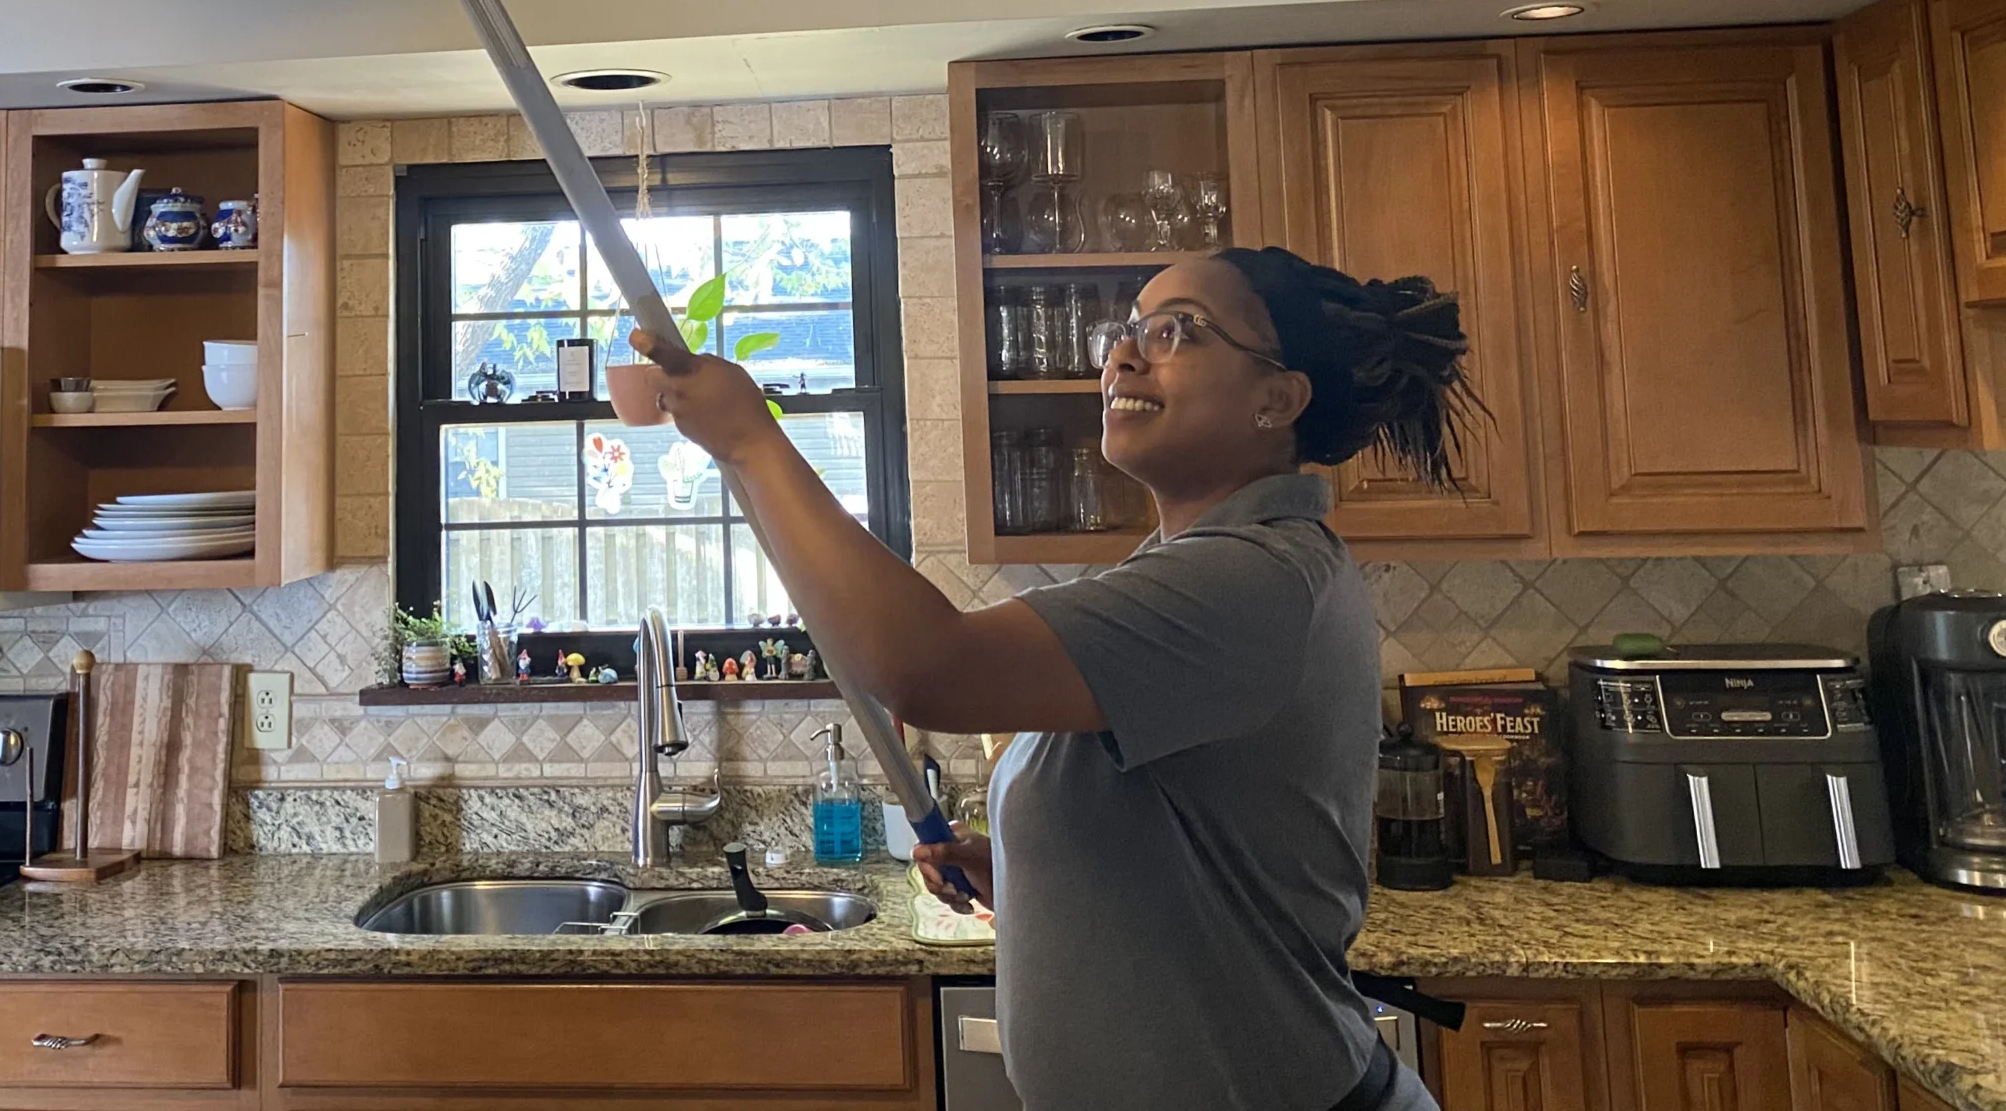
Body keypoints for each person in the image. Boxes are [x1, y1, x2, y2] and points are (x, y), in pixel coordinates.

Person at [633, 244, 1479, 1111]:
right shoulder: (1196, 566)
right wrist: (1033, 869)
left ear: (1278, 398)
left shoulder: (1254, 579)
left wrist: (753, 440)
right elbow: (1191, 850)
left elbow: (930, 668)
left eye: (1178, 331)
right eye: (1129, 330)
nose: (1124, 354)